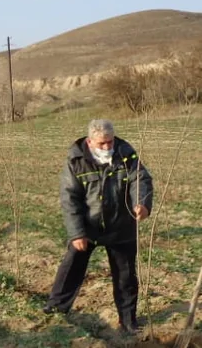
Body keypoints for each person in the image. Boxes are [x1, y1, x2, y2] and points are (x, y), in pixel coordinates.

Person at [46, 119, 153, 334]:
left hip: (121, 224)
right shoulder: (76, 161)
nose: (107, 147)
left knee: (125, 276)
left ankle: (128, 321)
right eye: (101, 143)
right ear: (90, 141)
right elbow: (70, 199)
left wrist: (141, 203)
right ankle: (57, 308)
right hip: (89, 225)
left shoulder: (126, 154)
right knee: (72, 266)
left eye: (110, 142)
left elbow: (140, 179)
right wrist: (77, 233)